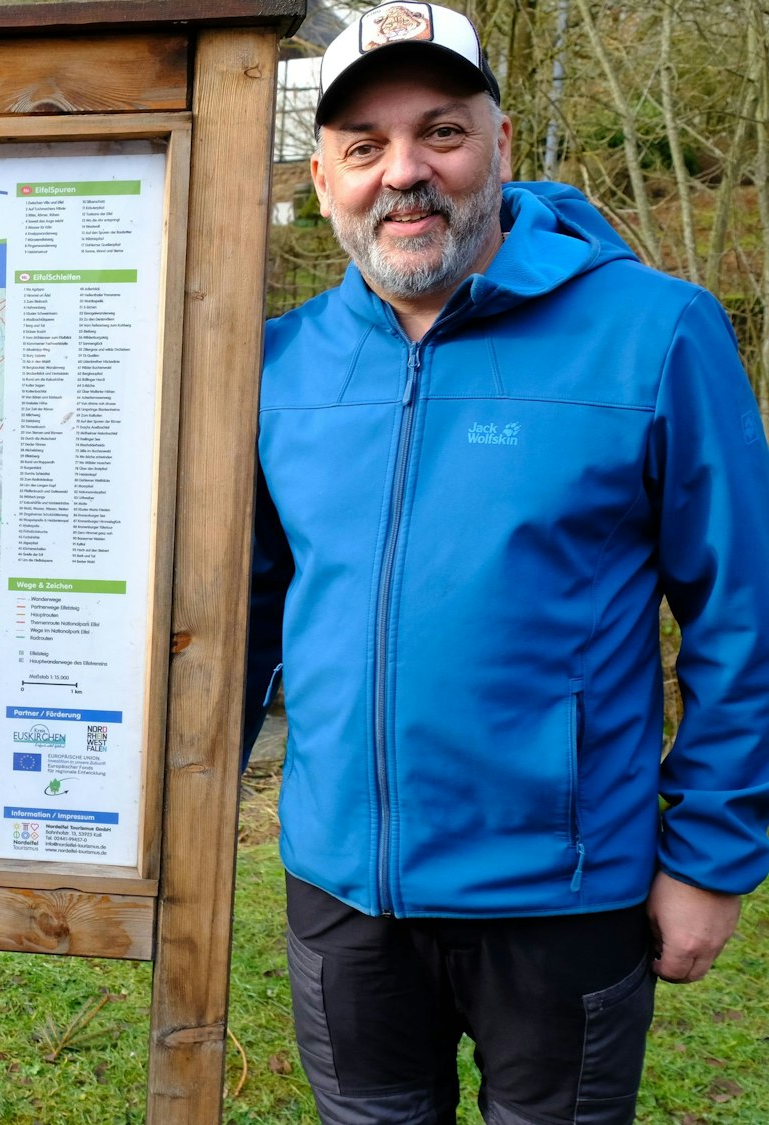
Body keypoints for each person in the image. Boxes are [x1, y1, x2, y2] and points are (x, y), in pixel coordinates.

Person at [248, 3, 769, 1122]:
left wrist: (712, 856)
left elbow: (744, 611)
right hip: (342, 892)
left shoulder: (653, 332)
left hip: (561, 894)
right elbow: (234, 612)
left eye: (439, 132)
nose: (403, 174)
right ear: (322, 171)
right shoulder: (275, 365)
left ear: (499, 139)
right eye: (362, 147)